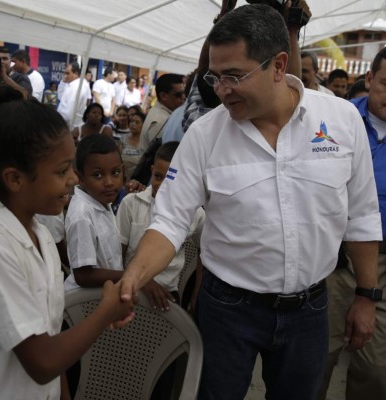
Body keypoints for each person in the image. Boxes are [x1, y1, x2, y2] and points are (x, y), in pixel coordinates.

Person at [118, 5, 381, 400]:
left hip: (310, 309)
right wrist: (134, 275)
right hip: (227, 310)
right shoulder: (206, 135)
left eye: (234, 76)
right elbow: (170, 221)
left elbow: (361, 215)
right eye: (215, 76)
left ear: (277, 66)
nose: (221, 90)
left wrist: (366, 296)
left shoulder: (341, 121)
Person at [0, 86, 134, 399]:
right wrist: (106, 309)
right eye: (62, 171)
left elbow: (51, 340)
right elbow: (43, 361)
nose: (73, 179)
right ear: (15, 179)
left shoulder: (41, 236)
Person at [318, 47, 386, 400]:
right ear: (370, 79)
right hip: (336, 253)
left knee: (375, 370)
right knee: (318, 357)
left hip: (384, 258)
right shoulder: (338, 121)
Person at [117, 140, 205, 307]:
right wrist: (144, 282)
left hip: (168, 294)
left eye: (171, 179)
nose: (163, 186)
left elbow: (204, 253)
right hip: (131, 286)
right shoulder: (131, 203)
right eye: (158, 176)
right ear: (151, 171)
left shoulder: (196, 213)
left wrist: (195, 297)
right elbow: (117, 257)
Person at [63, 134, 126, 292]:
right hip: (86, 302)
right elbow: (83, 275)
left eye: (116, 172)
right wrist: (131, 276)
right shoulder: (82, 215)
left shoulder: (101, 200)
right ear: (80, 178)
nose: (109, 182)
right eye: (98, 175)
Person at [138, 73, 185, 152]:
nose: (183, 98)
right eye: (178, 95)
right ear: (164, 96)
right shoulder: (161, 121)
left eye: (184, 93)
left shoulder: (159, 112)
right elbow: (160, 155)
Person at [57, 62, 91, 130]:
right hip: (67, 126)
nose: (65, 76)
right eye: (65, 73)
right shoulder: (71, 84)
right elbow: (60, 97)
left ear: (75, 74)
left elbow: (69, 114)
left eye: (68, 73)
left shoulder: (76, 88)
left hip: (70, 127)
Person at [119, 109, 145, 179]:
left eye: (137, 122)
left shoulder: (146, 141)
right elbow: (118, 159)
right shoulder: (123, 139)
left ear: (143, 125)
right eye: (131, 121)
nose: (133, 124)